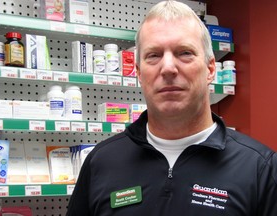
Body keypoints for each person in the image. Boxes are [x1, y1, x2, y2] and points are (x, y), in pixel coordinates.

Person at [66, 1, 277, 215]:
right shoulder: (101, 162)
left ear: (210, 69)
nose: (168, 68)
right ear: (139, 73)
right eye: (154, 55)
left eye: (184, 52)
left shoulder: (260, 168)